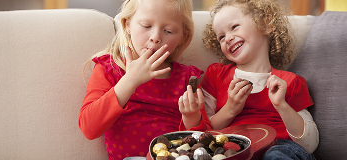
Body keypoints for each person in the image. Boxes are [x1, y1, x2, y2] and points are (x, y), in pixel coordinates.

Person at [183, 0, 319, 159]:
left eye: (234, 27)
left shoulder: (290, 82)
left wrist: (281, 105)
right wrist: (230, 109)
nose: (227, 38)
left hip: (280, 146)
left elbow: (310, 143)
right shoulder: (215, 75)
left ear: (265, 24)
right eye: (221, 37)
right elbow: (205, 133)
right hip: (232, 148)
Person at [79, 0, 210, 159]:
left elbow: (204, 141)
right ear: (127, 24)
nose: (155, 37)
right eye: (147, 26)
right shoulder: (109, 69)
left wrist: (191, 118)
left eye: (168, 31)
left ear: (183, 36)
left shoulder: (187, 77)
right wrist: (130, 80)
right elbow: (89, 128)